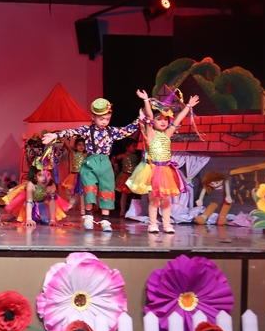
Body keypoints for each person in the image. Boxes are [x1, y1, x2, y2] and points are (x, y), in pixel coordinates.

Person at [42, 97, 139, 232]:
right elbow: (72, 132)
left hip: (105, 162)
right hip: (91, 162)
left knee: (107, 189)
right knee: (90, 188)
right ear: (93, 117)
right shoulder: (88, 130)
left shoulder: (111, 131)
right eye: (101, 119)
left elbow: (127, 130)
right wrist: (55, 136)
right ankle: (88, 216)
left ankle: (105, 220)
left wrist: (140, 119)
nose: (104, 121)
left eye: (107, 118)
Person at [130, 89, 200, 233]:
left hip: (165, 170)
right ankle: (153, 224)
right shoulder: (151, 133)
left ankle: (167, 224)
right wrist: (146, 100)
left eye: (165, 119)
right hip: (153, 170)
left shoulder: (167, 134)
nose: (163, 122)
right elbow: (149, 116)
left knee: (166, 199)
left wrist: (188, 106)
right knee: (154, 199)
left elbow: (178, 120)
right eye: (159, 119)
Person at [5, 166, 69, 227]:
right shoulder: (31, 185)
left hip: (42, 202)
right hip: (27, 201)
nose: (44, 179)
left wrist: (52, 220)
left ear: (51, 176)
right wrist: (29, 219)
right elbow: (29, 202)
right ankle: (13, 216)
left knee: (45, 220)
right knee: (19, 211)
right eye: (40, 175)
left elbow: (52, 202)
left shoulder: (52, 186)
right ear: (35, 176)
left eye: (48, 175)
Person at [112, 140, 141, 218]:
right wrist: (115, 165)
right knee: (124, 194)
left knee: (134, 194)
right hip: (125, 176)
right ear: (127, 147)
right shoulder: (123, 155)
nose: (135, 148)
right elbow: (114, 158)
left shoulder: (136, 156)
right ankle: (122, 211)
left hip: (133, 176)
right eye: (133, 146)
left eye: (136, 146)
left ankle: (132, 211)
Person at [61, 137, 87, 216]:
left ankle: (83, 208)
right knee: (68, 188)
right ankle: (71, 200)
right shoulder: (73, 153)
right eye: (79, 145)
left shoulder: (85, 154)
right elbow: (68, 146)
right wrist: (65, 140)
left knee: (81, 192)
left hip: (82, 175)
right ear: (75, 146)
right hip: (74, 174)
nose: (81, 146)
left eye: (83, 145)